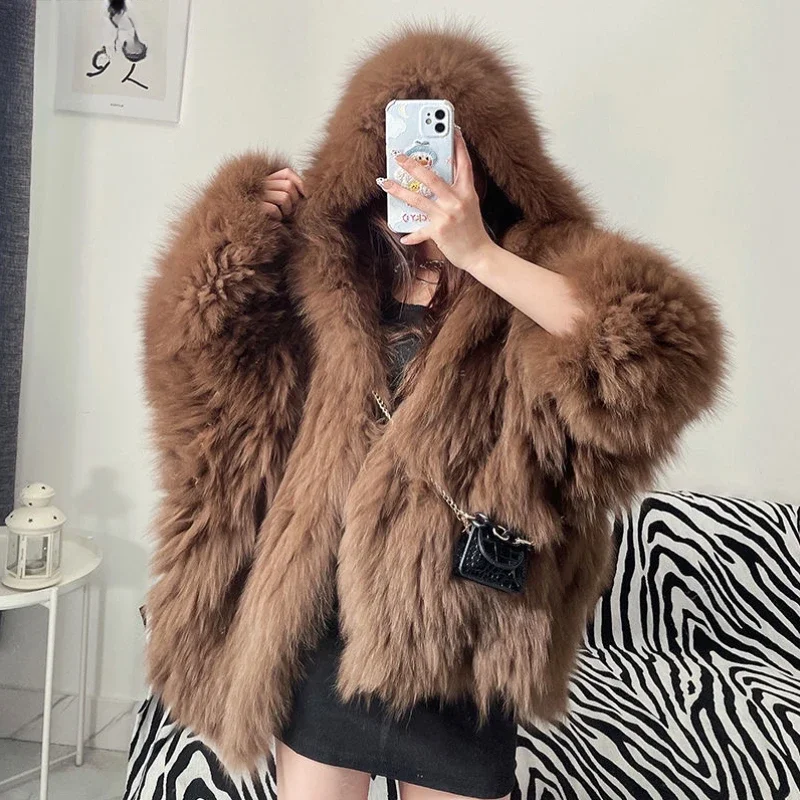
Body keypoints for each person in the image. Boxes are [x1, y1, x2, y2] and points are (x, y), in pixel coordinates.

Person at [141, 26, 726, 800]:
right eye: (399, 143)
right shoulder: (330, 265)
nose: (418, 164)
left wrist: (479, 252)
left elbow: (656, 357)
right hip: (323, 616)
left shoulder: (533, 262)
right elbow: (202, 355)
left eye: (443, 143)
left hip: (463, 626)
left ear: (485, 158)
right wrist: (236, 224)